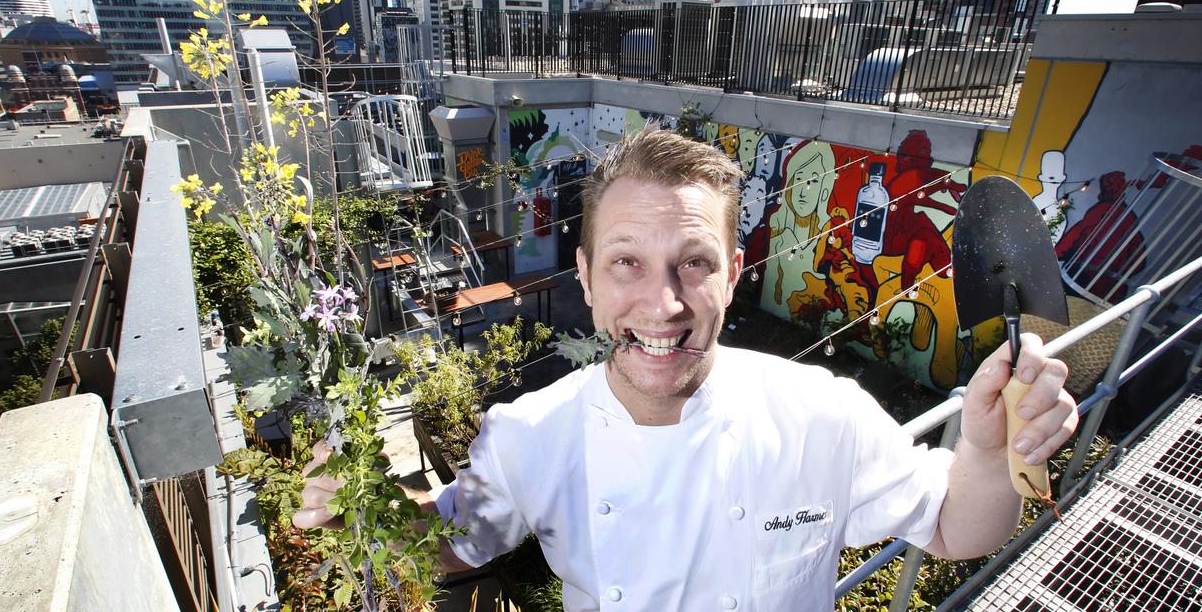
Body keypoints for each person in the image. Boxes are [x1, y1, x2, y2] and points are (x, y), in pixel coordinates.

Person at [295, 129, 1078, 611]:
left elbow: (955, 530)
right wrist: (358, 513)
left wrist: (986, 452)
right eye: (627, 262)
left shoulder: (820, 414)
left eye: (693, 263)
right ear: (587, 277)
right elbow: (453, 545)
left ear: (734, 273)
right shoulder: (530, 436)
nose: (662, 303)